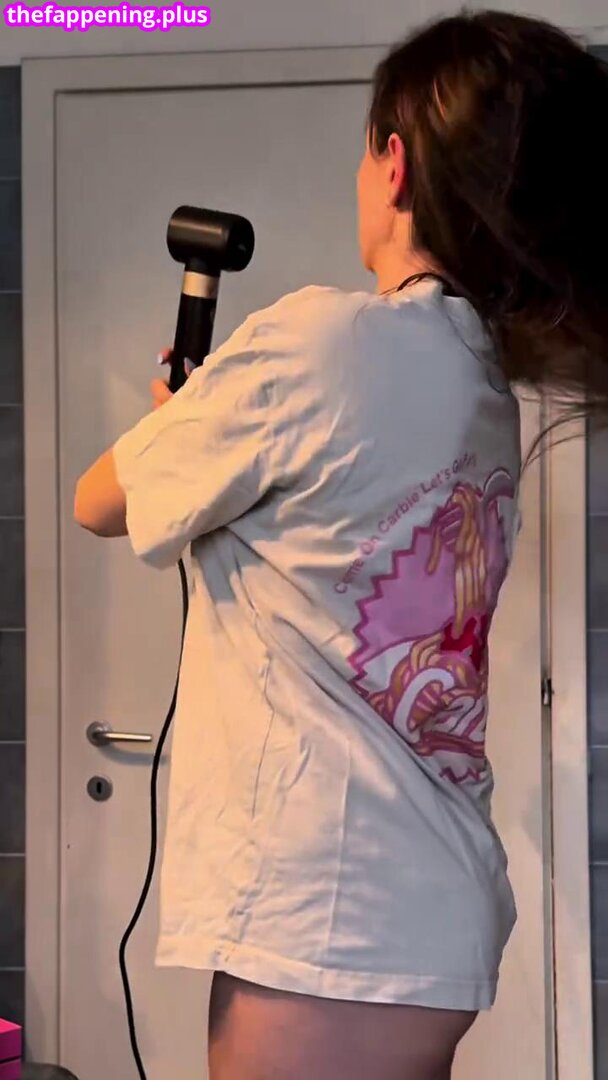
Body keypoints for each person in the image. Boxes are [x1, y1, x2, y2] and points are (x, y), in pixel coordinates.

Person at [74, 11, 608, 1079]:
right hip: (423, 906)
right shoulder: (477, 385)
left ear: (394, 164)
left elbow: (99, 499)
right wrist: (207, 422)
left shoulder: (317, 340)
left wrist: (187, 417)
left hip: (327, 914)